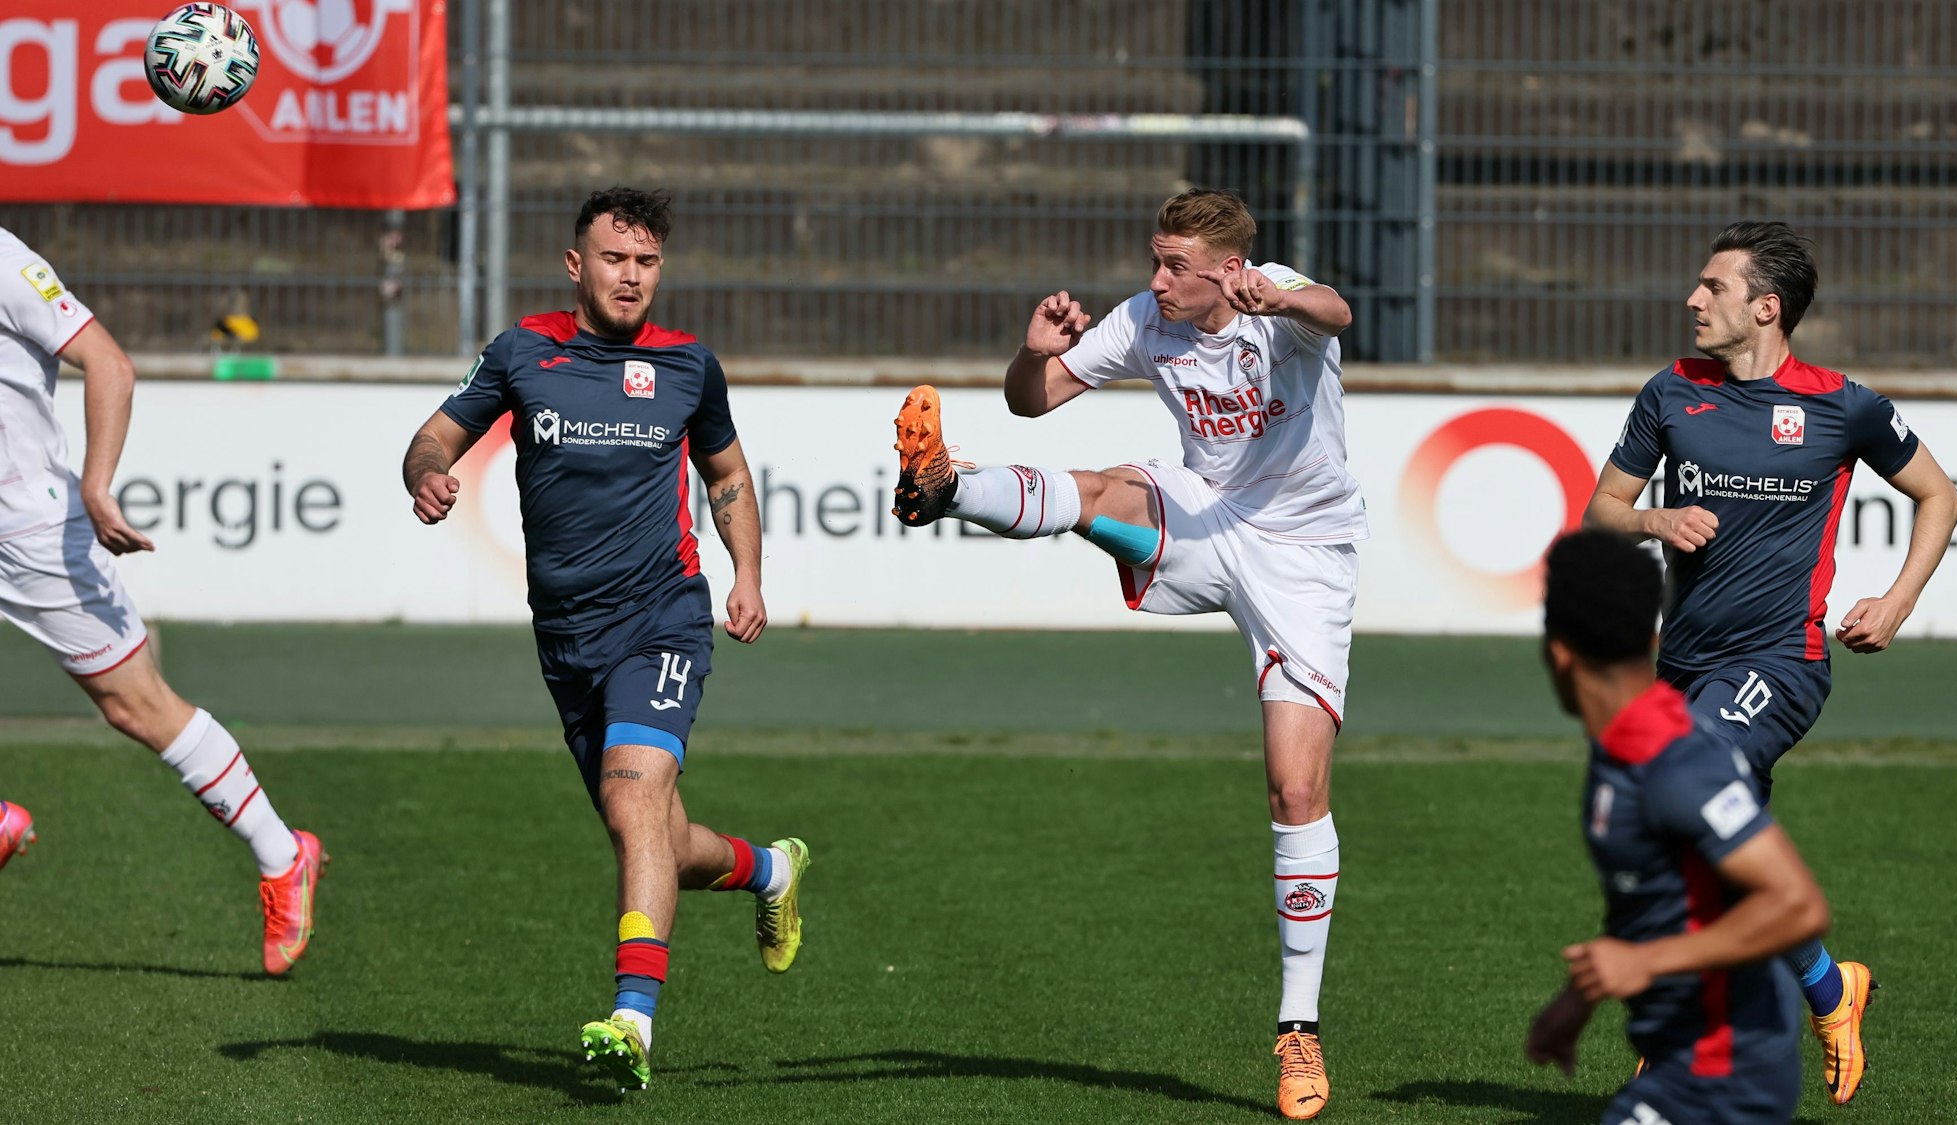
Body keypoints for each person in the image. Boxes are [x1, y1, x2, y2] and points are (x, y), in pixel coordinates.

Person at [891, 189, 1361, 1120]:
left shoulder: (1279, 303)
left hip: (1306, 560)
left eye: (1175, 265)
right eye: (1155, 260)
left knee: (1295, 790)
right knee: (1104, 485)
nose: (1155, 281)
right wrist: (1033, 350)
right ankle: (944, 486)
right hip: (1204, 516)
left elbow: (1339, 311)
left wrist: (1285, 300)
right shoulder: (1149, 319)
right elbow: (1035, 402)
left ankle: (1298, 1031)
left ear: (1229, 269)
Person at [401, 187, 809, 1095]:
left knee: (633, 804)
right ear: (576, 265)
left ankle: (631, 1022)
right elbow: (433, 436)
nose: (633, 277)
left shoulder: (688, 366)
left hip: (663, 614)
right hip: (567, 638)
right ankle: (770, 867)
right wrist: (428, 475)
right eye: (616, 260)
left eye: (648, 262)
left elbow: (727, 472)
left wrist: (747, 575)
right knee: (657, 833)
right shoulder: (521, 352)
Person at [1584, 220, 1957, 1104]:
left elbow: (1938, 495)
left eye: (1712, 287)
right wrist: (1654, 521)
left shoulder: (1844, 405)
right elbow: (1604, 504)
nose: (1692, 300)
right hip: (1682, 666)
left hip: (1779, 661)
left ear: (1766, 306)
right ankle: (1831, 990)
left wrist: (1897, 600)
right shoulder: (1672, 391)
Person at [0, 227, 323, 975]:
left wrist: (96, 482)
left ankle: (283, 856)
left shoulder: (8, 261)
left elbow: (109, 363)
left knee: (135, 706)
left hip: (30, 528)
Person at [1527, 529, 1832, 1125]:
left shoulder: (1679, 761)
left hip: (1725, 1074)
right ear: (1651, 637)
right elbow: (1649, 897)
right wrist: (1578, 999)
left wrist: (1645, 963)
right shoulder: (1621, 745)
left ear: (1557, 654)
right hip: (1682, 1061)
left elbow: (1798, 906)